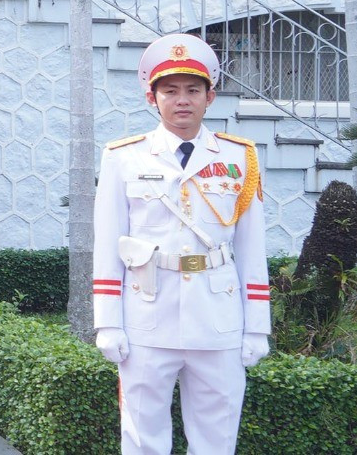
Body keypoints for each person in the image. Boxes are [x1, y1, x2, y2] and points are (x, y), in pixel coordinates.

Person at [94, 34, 270, 455]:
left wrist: (258, 325)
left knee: (217, 433)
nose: (182, 100)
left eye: (193, 90)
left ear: (210, 97)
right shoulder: (124, 158)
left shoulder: (239, 156)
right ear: (152, 98)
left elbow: (250, 247)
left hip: (218, 315)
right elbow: (108, 243)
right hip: (147, 314)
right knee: (141, 433)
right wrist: (109, 322)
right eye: (169, 91)